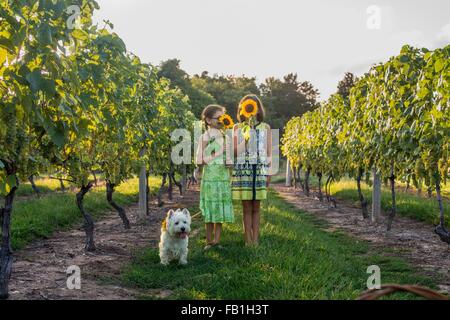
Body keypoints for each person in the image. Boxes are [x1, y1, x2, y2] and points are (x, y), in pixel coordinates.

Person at [232, 94, 271, 246]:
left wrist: (268, 172)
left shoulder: (265, 127)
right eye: (247, 107)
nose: (251, 110)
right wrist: (246, 139)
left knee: (256, 207)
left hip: (260, 169)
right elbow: (235, 152)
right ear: (242, 109)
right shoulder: (237, 128)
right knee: (246, 206)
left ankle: (256, 240)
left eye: (253, 107)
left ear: (258, 109)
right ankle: (247, 240)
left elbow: (268, 153)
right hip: (244, 170)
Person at [196, 104, 234, 250]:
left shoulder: (225, 136)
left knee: (219, 210)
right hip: (211, 179)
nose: (221, 120)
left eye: (222, 117)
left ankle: (217, 242)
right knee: (211, 210)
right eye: (217, 118)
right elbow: (199, 160)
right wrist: (218, 153)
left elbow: (228, 158)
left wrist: (230, 163)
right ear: (207, 120)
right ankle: (209, 242)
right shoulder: (205, 137)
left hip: (223, 178)